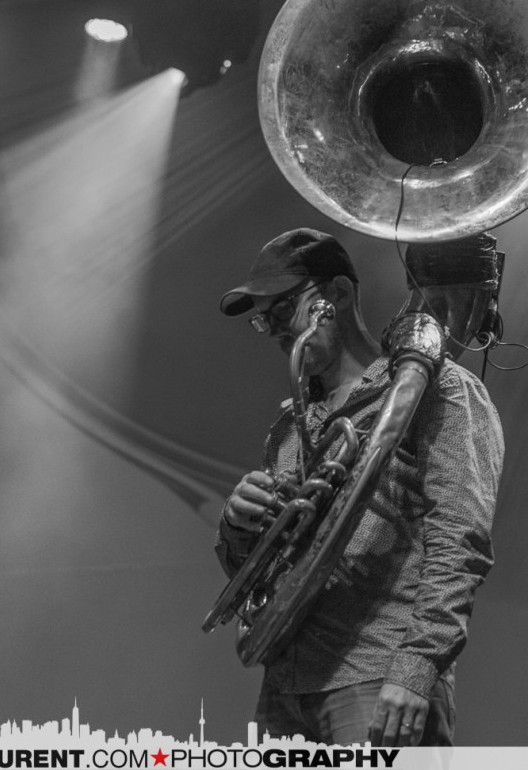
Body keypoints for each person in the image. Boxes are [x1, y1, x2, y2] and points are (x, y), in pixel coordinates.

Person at [214, 228, 504, 747]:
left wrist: (415, 669)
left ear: (339, 294)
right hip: (285, 688)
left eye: (284, 309)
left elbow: (460, 542)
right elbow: (259, 576)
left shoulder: (439, 388)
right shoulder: (287, 429)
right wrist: (239, 527)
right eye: (264, 319)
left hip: (378, 676)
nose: (275, 330)